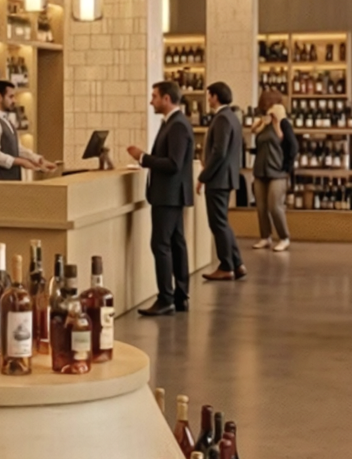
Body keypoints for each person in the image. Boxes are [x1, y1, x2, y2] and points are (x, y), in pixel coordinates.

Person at [126, 80, 196, 315]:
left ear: (167, 99)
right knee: (176, 244)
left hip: (168, 195)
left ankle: (166, 298)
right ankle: (180, 296)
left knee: (161, 245)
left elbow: (173, 163)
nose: (151, 101)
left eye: (154, 96)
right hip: (172, 194)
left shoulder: (176, 125)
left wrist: (143, 157)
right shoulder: (174, 123)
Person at [199, 82, 246, 281]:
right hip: (226, 177)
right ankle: (237, 263)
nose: (207, 99)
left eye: (209, 95)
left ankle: (226, 266)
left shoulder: (222, 119)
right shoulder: (232, 117)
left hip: (219, 179)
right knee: (223, 222)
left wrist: (203, 176)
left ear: (215, 96)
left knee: (217, 223)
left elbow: (219, 152)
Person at [0, 79, 56, 180]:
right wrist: (21, 162)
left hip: (10, 184)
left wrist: (38, 160)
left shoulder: (5, 120)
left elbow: (17, 149)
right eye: (11, 97)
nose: (15, 101)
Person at [249, 91, 296, 251]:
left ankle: (284, 237)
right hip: (260, 170)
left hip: (278, 171)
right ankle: (265, 237)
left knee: (274, 206)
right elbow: (257, 140)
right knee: (261, 206)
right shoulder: (262, 124)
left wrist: (276, 122)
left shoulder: (283, 124)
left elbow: (287, 142)